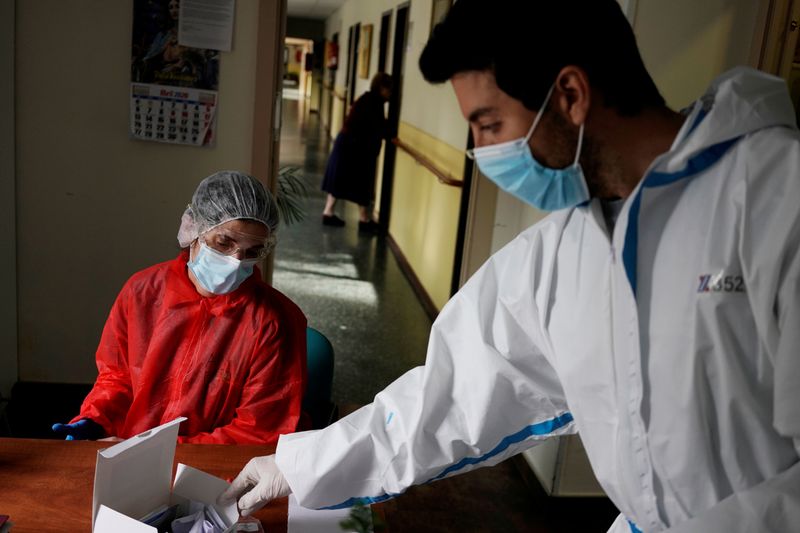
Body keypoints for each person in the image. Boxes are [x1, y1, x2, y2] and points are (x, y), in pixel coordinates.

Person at [221, 1, 800, 530]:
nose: (482, 153)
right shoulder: (566, 249)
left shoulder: (775, 201)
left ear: (571, 95)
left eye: (489, 125)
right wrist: (303, 465)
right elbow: (454, 392)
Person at [52, 171, 308, 444]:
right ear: (194, 229)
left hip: (218, 473)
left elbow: (257, 431)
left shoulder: (275, 321)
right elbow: (117, 377)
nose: (236, 261)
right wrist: (95, 420)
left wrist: (153, 453)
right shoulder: (143, 293)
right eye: (224, 242)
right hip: (130, 456)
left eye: (252, 251)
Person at [321, 72, 392, 232]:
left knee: (344, 180)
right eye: (389, 90)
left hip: (349, 144)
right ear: (382, 88)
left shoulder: (369, 99)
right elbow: (378, 126)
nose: (390, 94)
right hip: (352, 147)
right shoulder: (374, 102)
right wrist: (391, 134)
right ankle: (361, 219)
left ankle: (331, 213)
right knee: (359, 181)